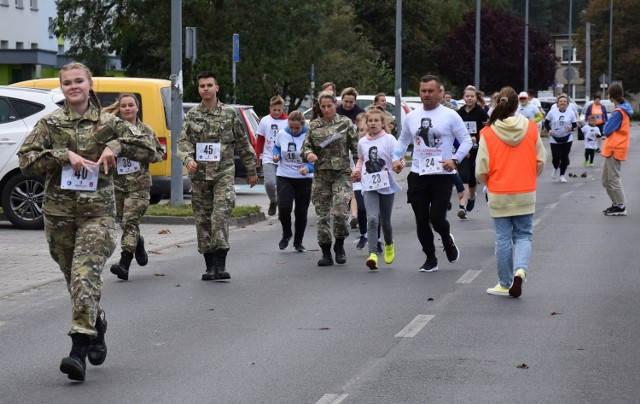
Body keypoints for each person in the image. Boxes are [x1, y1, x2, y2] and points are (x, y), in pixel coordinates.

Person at [18, 62, 158, 382]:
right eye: (67, 83)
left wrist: (115, 145)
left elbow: (151, 149)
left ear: (90, 84)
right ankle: (98, 322)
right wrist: (63, 156)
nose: (73, 86)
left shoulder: (110, 123)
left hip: (98, 216)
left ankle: (78, 349)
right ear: (62, 87)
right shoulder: (50, 123)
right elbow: (26, 161)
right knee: (76, 282)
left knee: (84, 275)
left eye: (79, 81)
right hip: (59, 216)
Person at [177, 71, 258, 281]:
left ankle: (221, 263)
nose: (206, 89)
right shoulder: (193, 115)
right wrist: (187, 159)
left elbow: (243, 143)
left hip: (223, 172)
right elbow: (183, 142)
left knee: (219, 216)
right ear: (199, 89)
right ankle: (209, 266)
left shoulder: (230, 114)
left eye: (209, 85)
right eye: (202, 86)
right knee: (203, 220)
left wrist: (251, 170)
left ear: (217, 88)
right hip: (200, 176)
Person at [392, 74, 472, 272]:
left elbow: (467, 141)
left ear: (439, 92)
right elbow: (402, 140)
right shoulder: (412, 117)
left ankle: (446, 238)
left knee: (437, 219)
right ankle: (430, 259)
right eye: (423, 91)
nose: (426, 95)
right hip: (418, 174)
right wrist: (397, 158)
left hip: (442, 175)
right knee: (421, 220)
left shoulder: (450, 115)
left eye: (430, 91)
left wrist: (455, 160)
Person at [476, 86, 547, 298]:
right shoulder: (532, 129)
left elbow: (481, 169)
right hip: (525, 190)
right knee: (524, 235)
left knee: (503, 239)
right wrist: (529, 175)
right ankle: (520, 270)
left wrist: (488, 182)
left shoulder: (487, 133)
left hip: (499, 192)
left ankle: (505, 283)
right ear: (518, 106)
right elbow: (541, 160)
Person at [102, 94, 165, 281]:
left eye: (131, 105)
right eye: (124, 106)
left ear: (137, 108)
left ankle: (124, 265)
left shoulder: (146, 131)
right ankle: (138, 243)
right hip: (118, 186)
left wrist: (139, 154)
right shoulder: (112, 131)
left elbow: (159, 154)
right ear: (119, 109)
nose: (127, 108)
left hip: (139, 187)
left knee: (130, 222)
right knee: (125, 223)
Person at [301, 91, 359, 266]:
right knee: (323, 216)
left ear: (336, 105)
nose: (326, 110)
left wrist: (359, 169)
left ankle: (339, 245)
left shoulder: (345, 123)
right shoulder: (314, 125)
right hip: (322, 176)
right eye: (323, 106)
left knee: (340, 213)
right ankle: (326, 252)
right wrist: (309, 154)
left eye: (329, 106)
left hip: (341, 173)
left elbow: (356, 149)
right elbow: (305, 148)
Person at [352, 108, 401, 270]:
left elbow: (397, 156)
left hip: (386, 185)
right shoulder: (362, 142)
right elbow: (361, 159)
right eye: (370, 121)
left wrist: (397, 164)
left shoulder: (389, 139)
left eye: (376, 121)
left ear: (382, 123)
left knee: (385, 222)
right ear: (366, 124)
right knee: (372, 219)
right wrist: (357, 171)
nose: (373, 123)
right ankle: (372, 254)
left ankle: (388, 244)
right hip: (369, 185)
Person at [272, 111, 314, 252]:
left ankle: (298, 242)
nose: (294, 130)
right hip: (285, 176)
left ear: (303, 125)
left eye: (297, 128)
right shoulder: (282, 133)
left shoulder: (310, 135)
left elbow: (316, 157)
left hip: (304, 178)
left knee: (301, 211)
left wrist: (308, 168)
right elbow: (277, 146)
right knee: (284, 208)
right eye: (291, 127)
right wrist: (276, 155)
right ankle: (286, 233)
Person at [456, 85, 488, 219]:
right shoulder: (459, 113)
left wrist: (477, 138)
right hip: (463, 149)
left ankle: (472, 196)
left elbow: (488, 130)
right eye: (467, 96)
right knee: (463, 176)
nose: (469, 98)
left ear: (476, 98)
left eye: (472, 96)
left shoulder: (481, 112)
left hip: (477, 149)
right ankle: (462, 206)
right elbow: (455, 132)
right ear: (463, 98)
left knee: (473, 178)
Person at [601, 83, 633, 216]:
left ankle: (620, 206)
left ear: (610, 96)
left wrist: (606, 127)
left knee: (613, 179)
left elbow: (606, 130)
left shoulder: (618, 112)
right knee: (605, 180)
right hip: (612, 147)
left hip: (615, 147)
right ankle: (616, 204)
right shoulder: (624, 109)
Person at [256, 96, 288, 216]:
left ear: (283, 109)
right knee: (269, 182)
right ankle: (273, 201)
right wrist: (257, 155)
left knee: (282, 185)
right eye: (274, 110)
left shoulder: (287, 121)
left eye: (279, 110)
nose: (276, 112)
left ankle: (282, 204)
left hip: (283, 159)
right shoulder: (265, 120)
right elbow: (260, 139)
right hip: (268, 156)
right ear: (270, 108)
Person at [544, 94, 577, 183]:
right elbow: (546, 123)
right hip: (554, 138)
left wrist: (571, 128)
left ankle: (562, 175)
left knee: (564, 157)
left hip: (567, 138)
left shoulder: (571, 113)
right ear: (558, 103)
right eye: (561, 101)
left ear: (567, 103)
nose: (562, 103)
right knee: (556, 158)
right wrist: (549, 130)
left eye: (564, 101)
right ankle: (555, 168)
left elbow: (575, 125)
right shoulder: (552, 112)